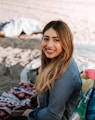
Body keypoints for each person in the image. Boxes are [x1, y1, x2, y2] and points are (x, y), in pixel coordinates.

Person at [9, 20, 82, 120]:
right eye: (46, 39)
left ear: (65, 43)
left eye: (56, 40)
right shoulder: (53, 61)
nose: (49, 45)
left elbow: (53, 115)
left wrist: (31, 113)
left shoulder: (65, 74)